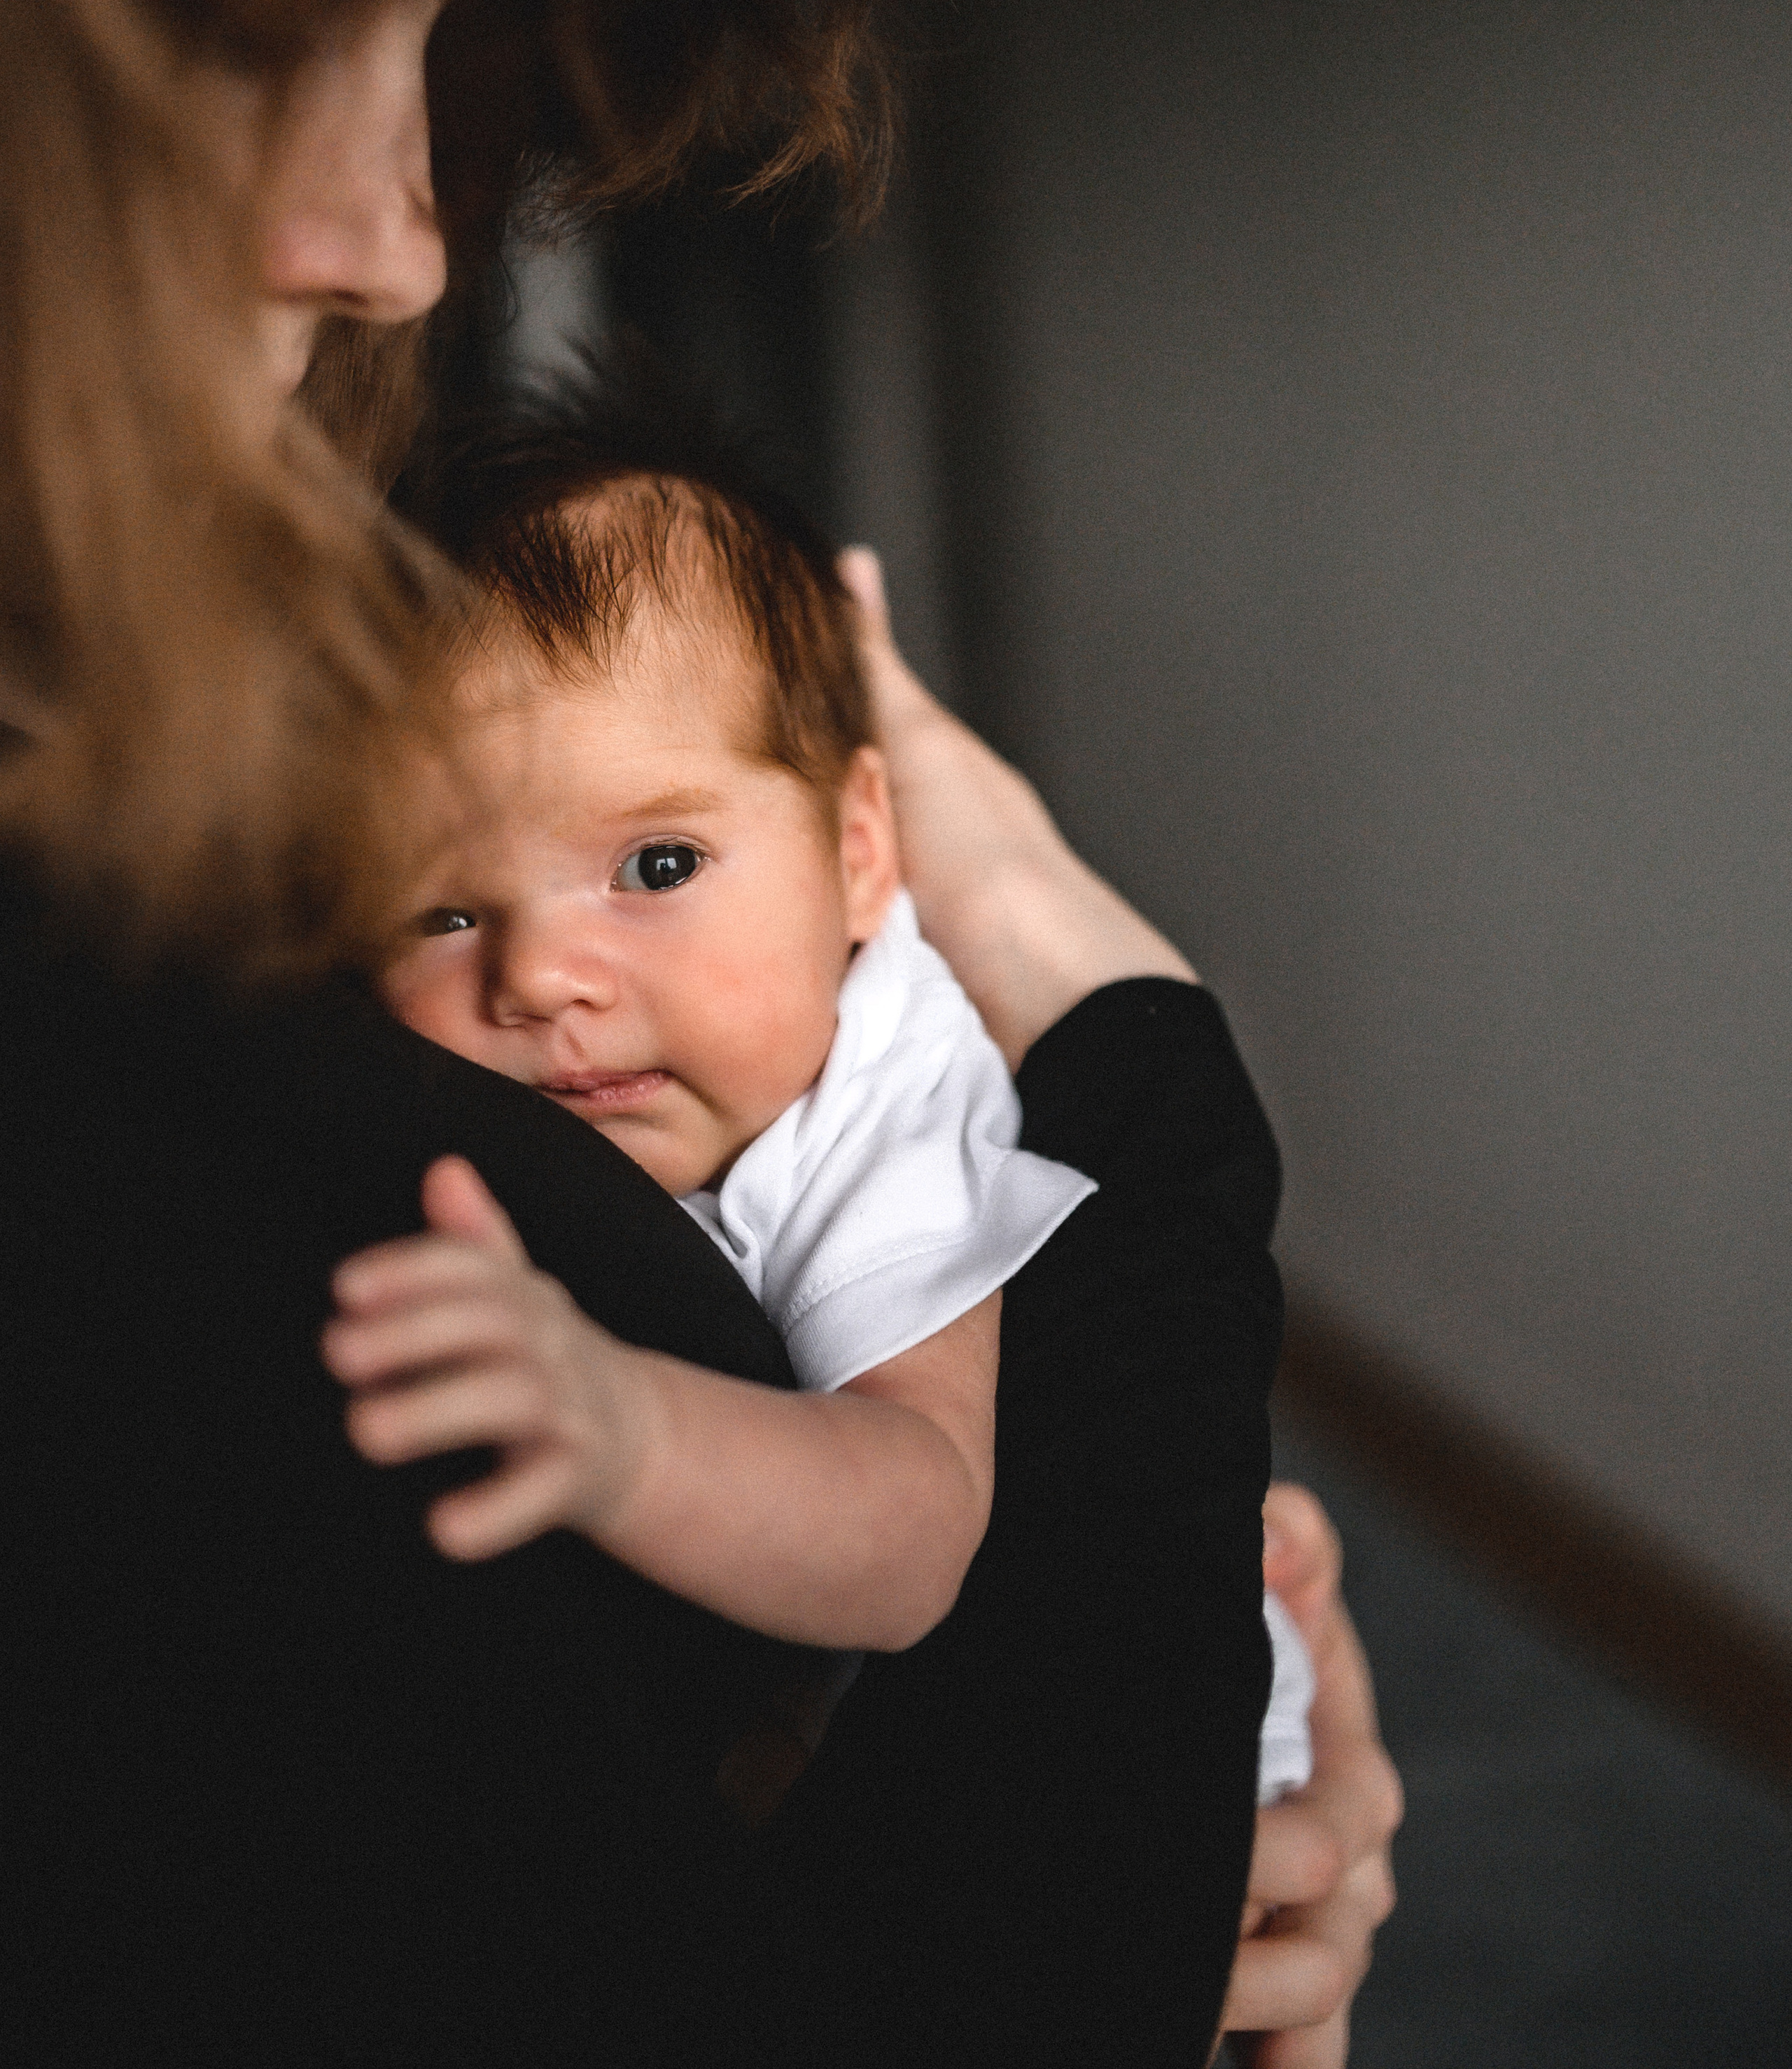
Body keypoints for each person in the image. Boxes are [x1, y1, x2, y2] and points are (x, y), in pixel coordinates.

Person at [0, 0, 1395, 2063]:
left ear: (849, 846)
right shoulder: (118, 1146)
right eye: (253, 9)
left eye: (422, 35)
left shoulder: (874, 1098)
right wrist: (1141, 1065)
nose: (396, 232)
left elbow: (893, 1559)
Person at [333, 410, 1313, 1800]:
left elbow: (912, 1532)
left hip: (1084, 1768)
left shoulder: (875, 1101)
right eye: (437, 908)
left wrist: (623, 1428)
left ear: (860, 857)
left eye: (657, 863)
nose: (541, 974)